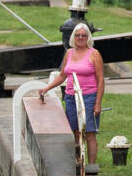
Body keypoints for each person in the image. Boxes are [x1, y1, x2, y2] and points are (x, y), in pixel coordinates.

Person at [38, 23, 103, 166]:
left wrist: (97, 103)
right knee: (74, 131)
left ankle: (91, 166)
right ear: (73, 37)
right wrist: (47, 88)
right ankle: (77, 162)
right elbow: (62, 76)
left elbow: (100, 80)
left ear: (88, 37)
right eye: (77, 35)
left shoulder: (94, 54)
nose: (80, 38)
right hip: (71, 97)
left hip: (89, 97)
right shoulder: (69, 53)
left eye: (83, 35)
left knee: (89, 133)